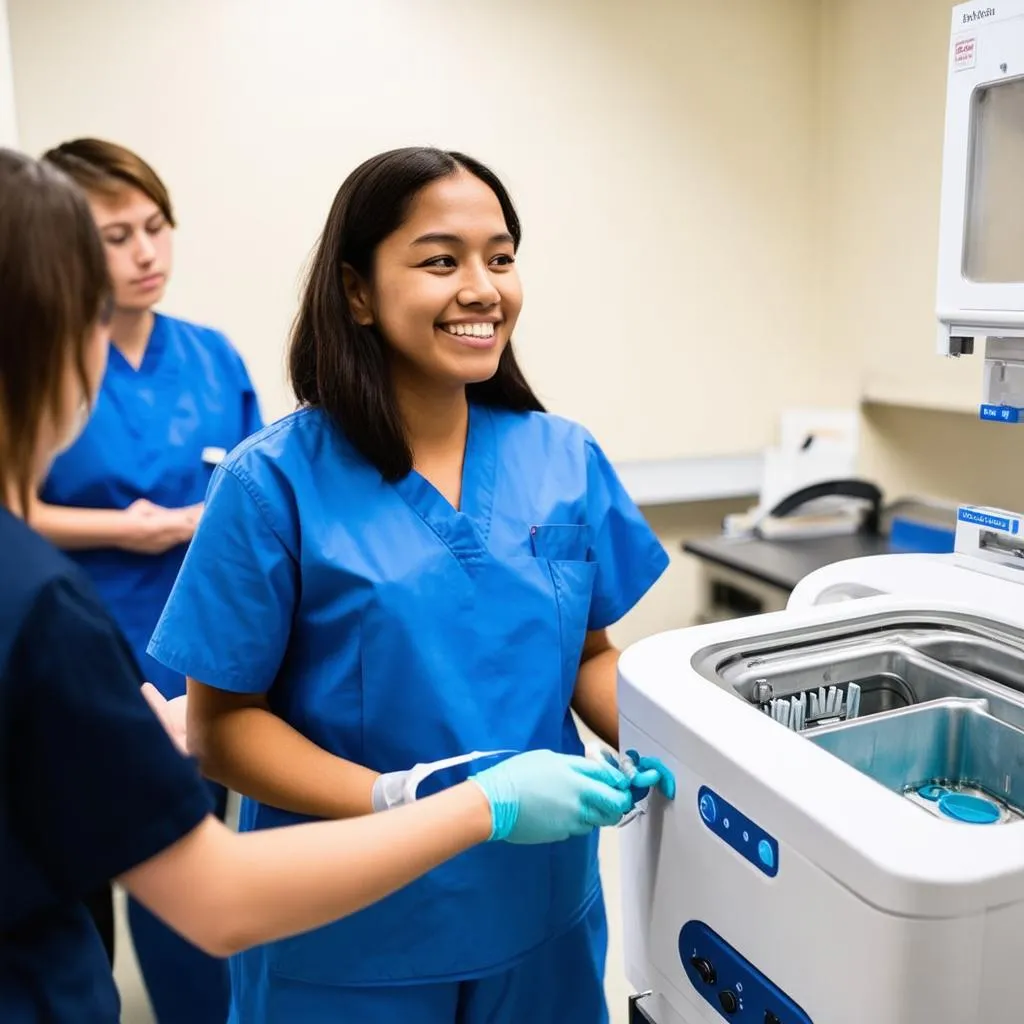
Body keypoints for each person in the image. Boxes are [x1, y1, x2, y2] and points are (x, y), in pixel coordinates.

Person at [0, 144, 640, 1024]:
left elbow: (591, 657)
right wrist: (417, 798)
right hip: (351, 939)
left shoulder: (564, 457)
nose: (484, 286)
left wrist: (696, 741)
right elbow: (224, 734)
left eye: (501, 256)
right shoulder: (273, 484)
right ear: (356, 292)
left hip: (541, 911)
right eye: (441, 260)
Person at [34, 138, 262, 1019]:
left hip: (189, 662)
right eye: (115, 234)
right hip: (71, 657)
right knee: (69, 893)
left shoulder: (210, 355)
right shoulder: (42, 359)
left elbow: (256, 494)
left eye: (156, 227)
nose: (144, 254)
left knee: (192, 887)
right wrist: (134, 528)